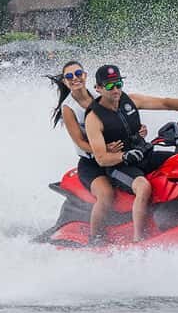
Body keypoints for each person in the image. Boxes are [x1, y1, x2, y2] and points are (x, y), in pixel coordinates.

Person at [84, 64, 178, 243]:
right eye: (110, 86)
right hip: (119, 165)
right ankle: (139, 239)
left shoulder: (131, 100)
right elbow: (102, 158)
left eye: (118, 84)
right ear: (98, 88)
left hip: (144, 155)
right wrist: (124, 156)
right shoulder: (94, 118)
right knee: (143, 186)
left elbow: (164, 103)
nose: (116, 89)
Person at [48, 60, 125, 243]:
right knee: (106, 194)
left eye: (78, 74)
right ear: (65, 82)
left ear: (85, 75)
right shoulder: (68, 108)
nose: (75, 78)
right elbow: (80, 142)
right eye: (69, 76)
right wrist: (102, 149)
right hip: (91, 163)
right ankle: (96, 237)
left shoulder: (99, 94)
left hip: (114, 155)